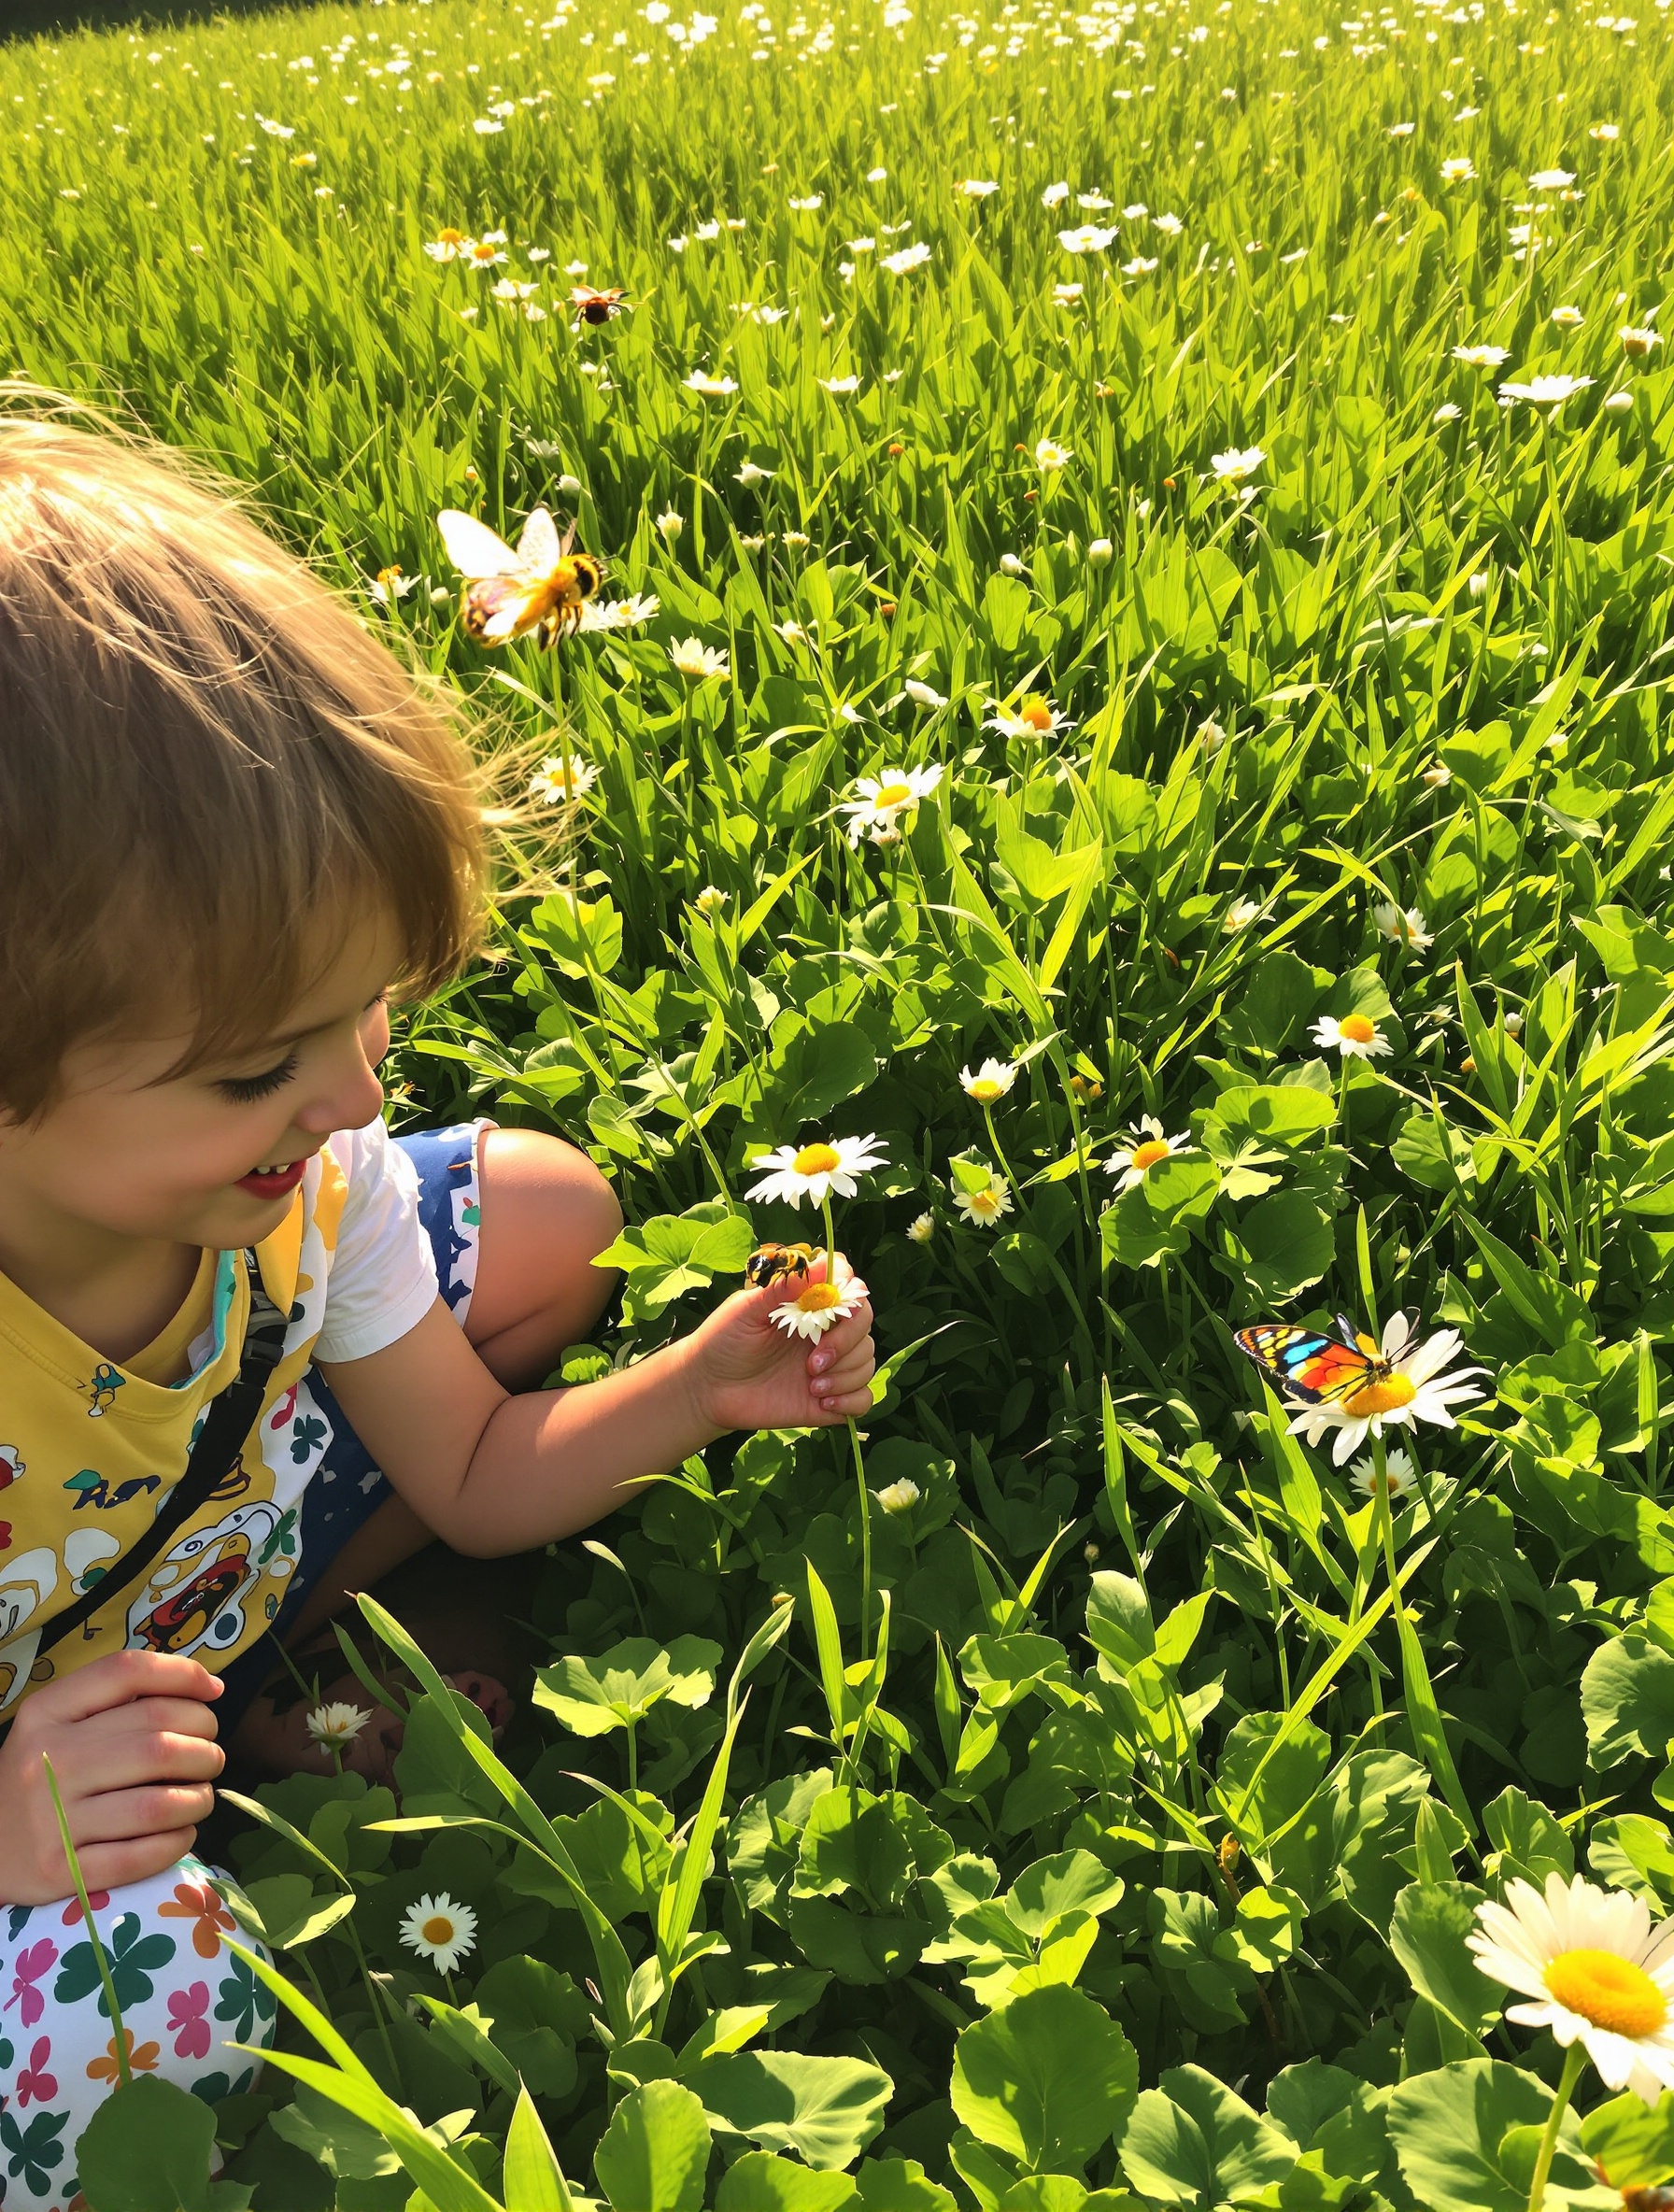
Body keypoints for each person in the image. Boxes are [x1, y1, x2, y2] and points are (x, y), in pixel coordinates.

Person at [0, 392, 875, 2204]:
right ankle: (224, 1721)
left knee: (551, 1215)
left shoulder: (316, 1174)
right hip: (51, 1738)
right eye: (261, 1065)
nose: (351, 1099)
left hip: (186, 1552)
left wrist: (697, 1387)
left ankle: (249, 1667)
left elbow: (469, 1459)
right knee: (128, 2005)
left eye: (366, 1007)